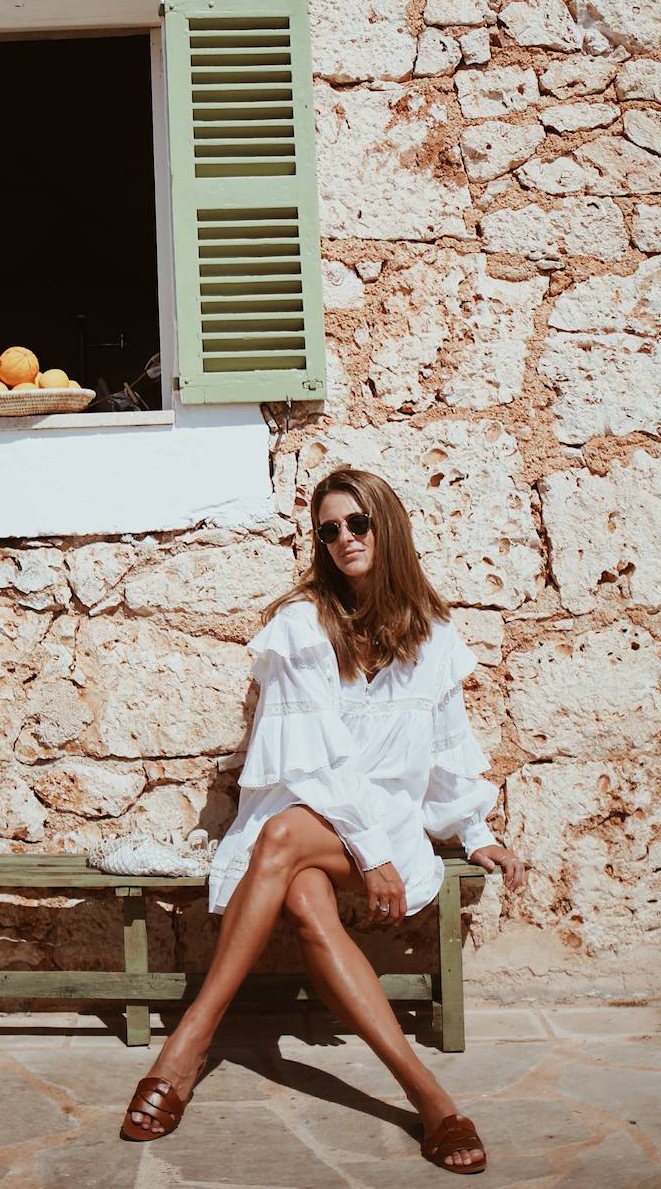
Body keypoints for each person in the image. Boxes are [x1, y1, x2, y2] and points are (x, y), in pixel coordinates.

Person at [121, 468, 526, 1174]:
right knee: (299, 883)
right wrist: (366, 855)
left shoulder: (431, 636)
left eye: (357, 524)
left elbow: (446, 746)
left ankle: (187, 1046)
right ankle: (430, 1099)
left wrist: (475, 832)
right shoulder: (301, 627)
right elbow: (307, 764)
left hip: (386, 821)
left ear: (386, 527)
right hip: (307, 811)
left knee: (282, 847)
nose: (343, 538)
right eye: (328, 529)